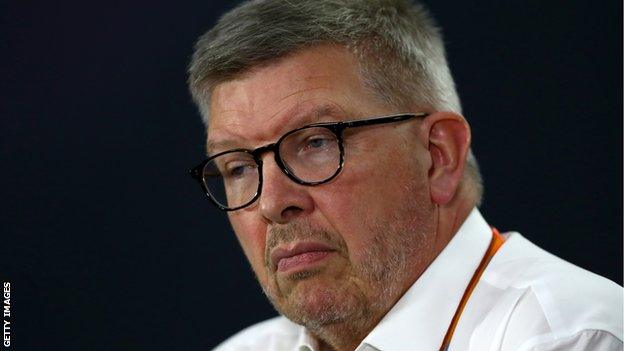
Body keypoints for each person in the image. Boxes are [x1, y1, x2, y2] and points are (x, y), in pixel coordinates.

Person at [186, 1, 623, 350]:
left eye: (316, 143)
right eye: (239, 166)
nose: (272, 203)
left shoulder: (566, 337)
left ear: (439, 156)